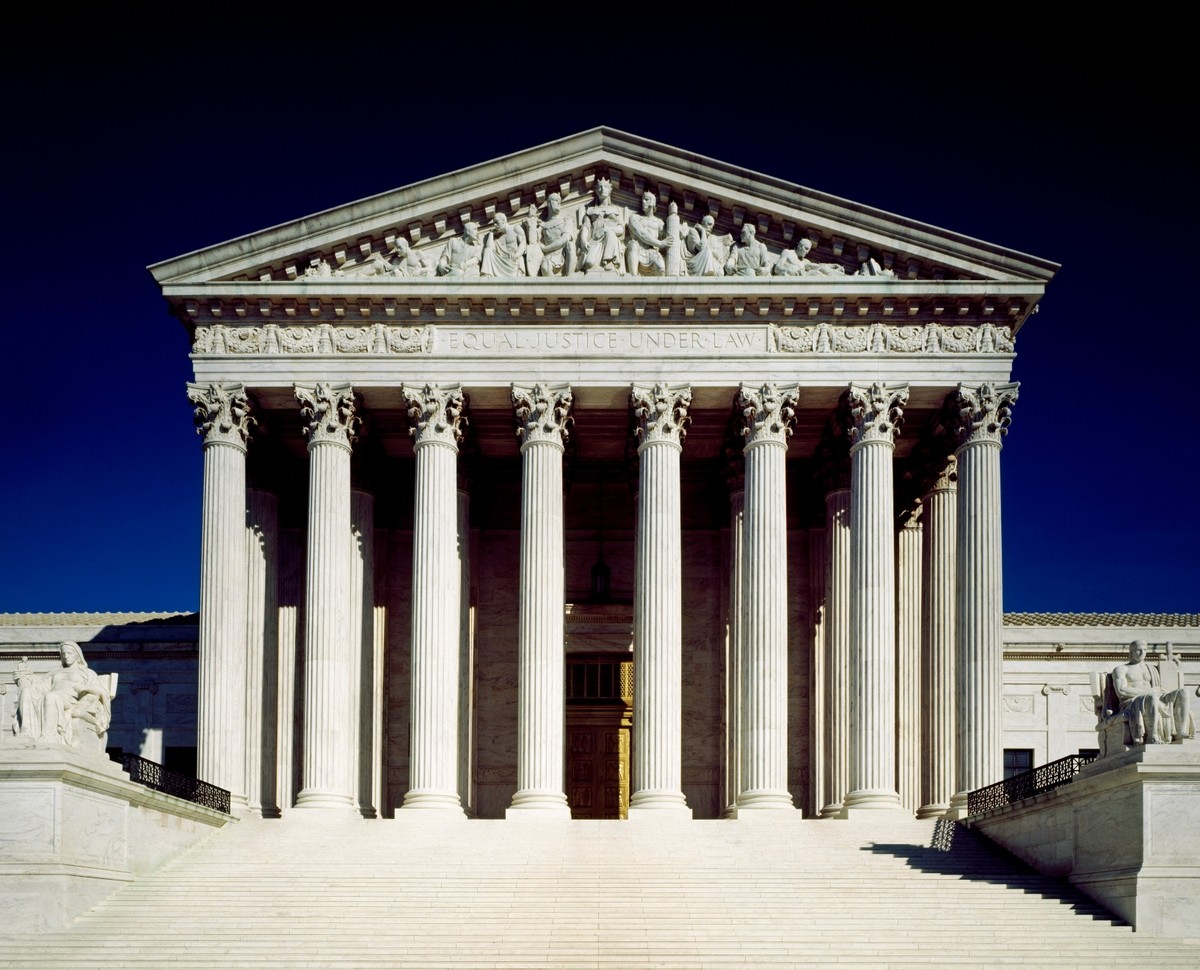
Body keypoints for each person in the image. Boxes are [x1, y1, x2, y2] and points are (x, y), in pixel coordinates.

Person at [15, 641, 111, 745]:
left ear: (77, 655)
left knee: (51, 697)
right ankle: (26, 732)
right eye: (64, 654)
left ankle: (48, 736)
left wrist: (85, 688)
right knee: (27, 691)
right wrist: (27, 679)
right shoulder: (55, 672)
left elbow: (101, 691)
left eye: (69, 653)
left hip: (71, 702)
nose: (66, 656)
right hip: (52, 696)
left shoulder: (87, 673)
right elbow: (44, 686)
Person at [1111, 639, 1195, 743]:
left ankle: (1181, 731)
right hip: (1131, 701)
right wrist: (1150, 692)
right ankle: (1152, 735)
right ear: (1131, 651)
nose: (1142, 653)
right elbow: (1121, 691)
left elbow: (1166, 683)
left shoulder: (1152, 669)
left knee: (1183, 693)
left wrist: (1173, 667)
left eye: (1145, 650)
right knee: (1152, 698)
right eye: (1138, 650)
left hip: (1154, 695)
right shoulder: (1122, 669)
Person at [577, 177, 624, 274]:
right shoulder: (590, 210)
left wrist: (606, 229)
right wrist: (583, 240)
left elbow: (621, 229)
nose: (602, 189)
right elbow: (586, 227)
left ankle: (609, 262)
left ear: (610, 190)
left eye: (605, 186)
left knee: (610, 233)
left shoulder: (616, 210)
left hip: (610, 240)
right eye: (600, 187)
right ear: (596, 190)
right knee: (589, 263)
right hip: (595, 239)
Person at [624, 191, 671, 276]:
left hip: (653, 252)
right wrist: (660, 243)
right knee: (633, 244)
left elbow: (668, 240)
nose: (643, 202)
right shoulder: (634, 218)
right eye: (643, 199)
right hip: (638, 250)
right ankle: (633, 278)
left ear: (653, 202)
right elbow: (641, 233)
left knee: (661, 269)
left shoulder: (660, 223)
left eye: (646, 199)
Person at [529, 193, 576, 277]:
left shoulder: (566, 220)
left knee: (570, 245)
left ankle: (570, 278)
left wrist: (546, 248)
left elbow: (565, 238)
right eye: (556, 200)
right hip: (548, 257)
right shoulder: (542, 225)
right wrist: (532, 218)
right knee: (544, 267)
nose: (559, 203)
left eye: (559, 201)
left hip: (563, 253)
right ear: (549, 203)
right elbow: (533, 243)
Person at [480, 212, 528, 278]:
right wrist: (491, 234)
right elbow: (489, 248)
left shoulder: (515, 228)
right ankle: (487, 275)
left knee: (520, 259)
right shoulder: (495, 236)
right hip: (499, 261)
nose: (495, 225)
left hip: (513, 259)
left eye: (496, 222)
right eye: (494, 223)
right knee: (487, 250)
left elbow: (523, 244)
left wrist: (516, 255)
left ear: (503, 221)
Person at [773, 237, 845, 277]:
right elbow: (777, 268)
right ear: (799, 246)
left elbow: (818, 266)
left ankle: (840, 276)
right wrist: (791, 271)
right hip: (790, 277)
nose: (807, 252)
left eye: (808, 250)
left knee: (818, 272)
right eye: (806, 248)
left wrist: (833, 266)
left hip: (803, 277)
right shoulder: (788, 253)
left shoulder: (805, 262)